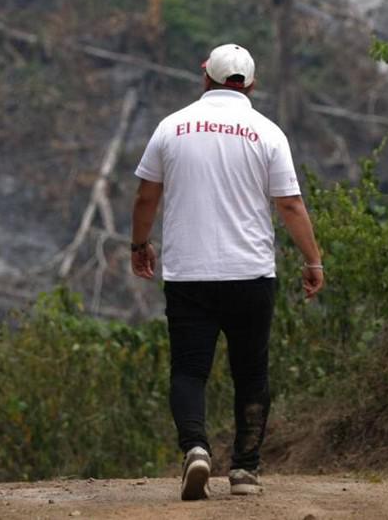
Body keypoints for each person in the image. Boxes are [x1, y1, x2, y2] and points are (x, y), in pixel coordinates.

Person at [129, 43, 325, 501]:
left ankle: (195, 449)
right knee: (251, 372)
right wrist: (312, 259)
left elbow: (145, 197)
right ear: (251, 84)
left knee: (190, 370)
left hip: (189, 274)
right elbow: (290, 205)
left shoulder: (171, 128)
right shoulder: (267, 133)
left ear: (206, 78)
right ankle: (244, 470)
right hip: (250, 274)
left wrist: (140, 245)